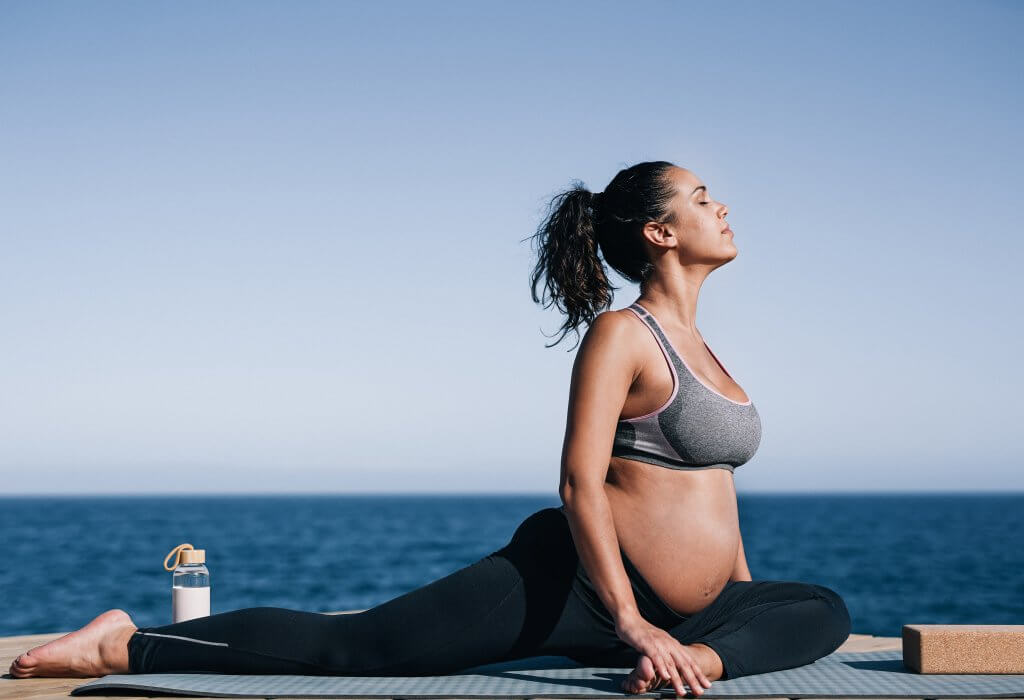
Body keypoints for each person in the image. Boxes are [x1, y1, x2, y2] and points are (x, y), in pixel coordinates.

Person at [9, 161, 851, 696]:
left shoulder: (708, 346)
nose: (724, 205)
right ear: (660, 233)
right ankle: (123, 644)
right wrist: (630, 621)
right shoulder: (622, 335)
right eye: (704, 198)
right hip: (586, 584)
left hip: (689, 615)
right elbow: (578, 483)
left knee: (822, 609)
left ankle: (696, 664)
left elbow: (715, 490)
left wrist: (735, 601)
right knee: (358, 647)